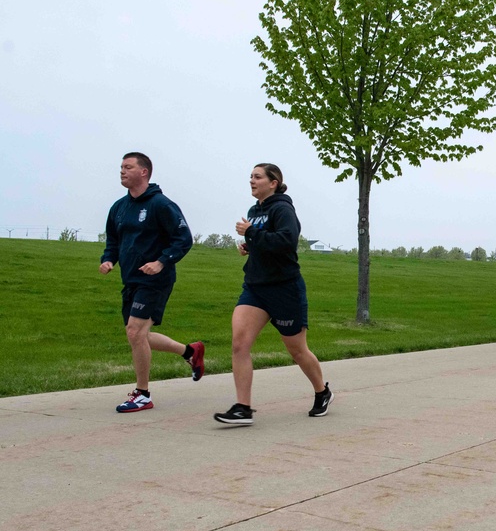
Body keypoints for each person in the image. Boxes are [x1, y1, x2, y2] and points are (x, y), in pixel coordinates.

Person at [214, 163, 332, 426]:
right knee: (239, 344)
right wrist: (249, 245)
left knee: (297, 350)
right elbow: (266, 242)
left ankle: (322, 391)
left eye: (257, 177)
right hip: (256, 288)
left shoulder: (282, 208)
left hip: (284, 288)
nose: (251, 181)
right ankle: (243, 408)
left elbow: (287, 241)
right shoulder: (253, 211)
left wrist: (252, 233)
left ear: (273, 182)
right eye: (250, 177)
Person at [100, 152, 205, 413]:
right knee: (139, 335)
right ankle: (190, 352)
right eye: (121, 167)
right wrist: (108, 259)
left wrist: (161, 261)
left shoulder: (161, 205)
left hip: (156, 278)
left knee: (135, 332)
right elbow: (112, 240)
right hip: (131, 279)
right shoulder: (119, 208)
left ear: (144, 172)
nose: (122, 171)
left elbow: (183, 238)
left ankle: (143, 393)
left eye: (128, 167)